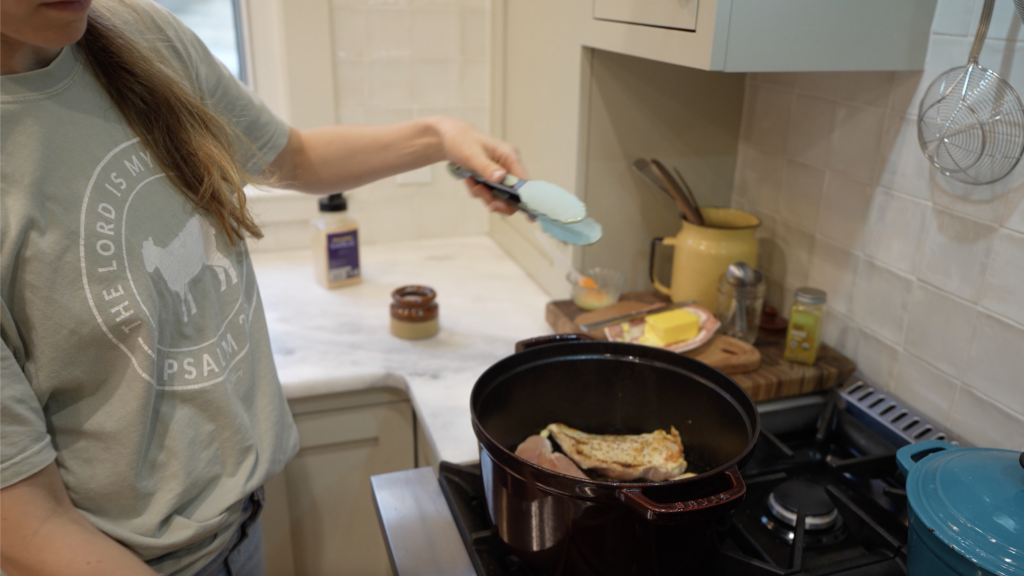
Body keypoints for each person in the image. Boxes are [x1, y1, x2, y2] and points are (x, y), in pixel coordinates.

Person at [0, 0, 525, 574]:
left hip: (241, 525)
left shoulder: (138, 34)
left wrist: (441, 136)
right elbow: (32, 523)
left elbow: (292, 158)